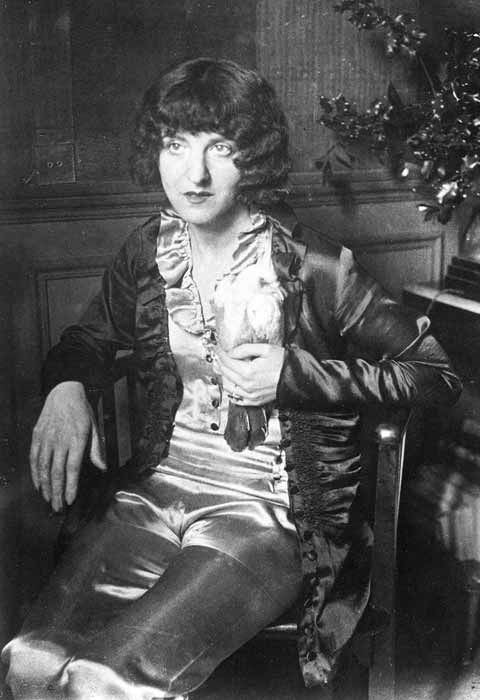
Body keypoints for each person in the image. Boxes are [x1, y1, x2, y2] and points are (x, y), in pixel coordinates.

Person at [1, 57, 461, 700]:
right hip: (154, 493)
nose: (194, 174)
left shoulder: (318, 266)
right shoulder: (148, 250)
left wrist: (296, 374)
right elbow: (86, 340)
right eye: (175, 144)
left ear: (255, 157)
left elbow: (436, 376)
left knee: (105, 678)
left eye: (219, 147)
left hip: (268, 511)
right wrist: (67, 388)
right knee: (28, 660)